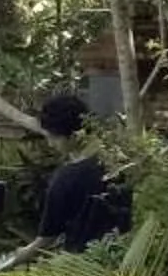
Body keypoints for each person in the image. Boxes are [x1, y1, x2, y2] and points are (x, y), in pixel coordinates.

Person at [34, 92, 130, 251]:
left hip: (78, 263)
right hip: (122, 256)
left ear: (74, 136)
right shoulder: (122, 161)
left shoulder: (65, 178)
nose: (50, 144)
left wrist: (14, 259)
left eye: (53, 137)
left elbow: (47, 238)